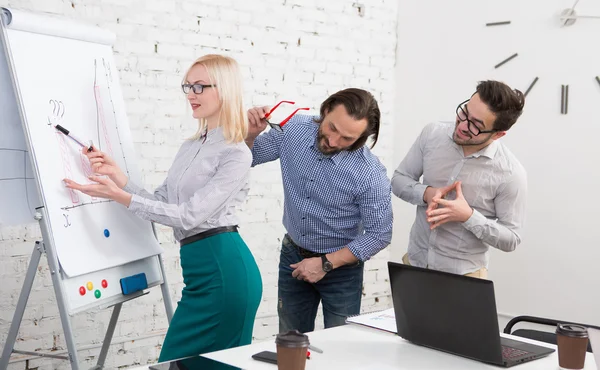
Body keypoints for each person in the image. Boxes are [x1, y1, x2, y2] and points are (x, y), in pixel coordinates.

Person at [64, 54, 263, 361]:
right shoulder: (190, 146)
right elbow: (162, 204)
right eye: (187, 86)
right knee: (178, 363)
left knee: (209, 365)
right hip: (198, 272)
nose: (191, 94)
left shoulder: (236, 153)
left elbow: (189, 216)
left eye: (200, 86)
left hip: (225, 272)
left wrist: (119, 195)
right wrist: (119, 178)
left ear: (223, 90)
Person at [245, 88, 393, 334]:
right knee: (290, 341)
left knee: (339, 347)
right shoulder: (293, 129)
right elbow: (250, 157)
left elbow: (379, 234)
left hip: (341, 269)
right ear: (325, 111)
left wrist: (325, 264)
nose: (334, 142)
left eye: (348, 139)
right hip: (293, 256)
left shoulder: (370, 174)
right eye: (332, 128)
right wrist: (250, 135)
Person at [392, 80, 527, 279]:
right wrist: (427, 194)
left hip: (464, 278)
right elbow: (398, 180)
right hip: (415, 264)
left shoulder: (510, 173)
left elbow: (512, 239)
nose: (463, 125)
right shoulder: (432, 134)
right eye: (464, 113)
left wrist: (468, 216)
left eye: (476, 125)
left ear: (498, 134)